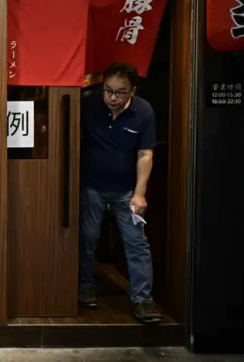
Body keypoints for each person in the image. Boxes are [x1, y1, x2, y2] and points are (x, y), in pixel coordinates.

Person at [78, 62, 162, 324]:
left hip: (126, 190)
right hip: (92, 185)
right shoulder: (90, 104)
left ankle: (143, 299)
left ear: (132, 91)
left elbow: (145, 154)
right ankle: (84, 286)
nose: (112, 98)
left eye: (120, 93)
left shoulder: (144, 112)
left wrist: (140, 193)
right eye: (108, 91)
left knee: (136, 243)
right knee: (87, 238)